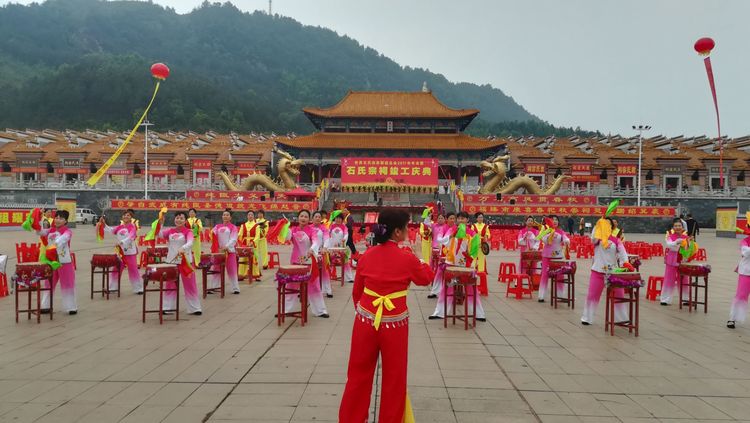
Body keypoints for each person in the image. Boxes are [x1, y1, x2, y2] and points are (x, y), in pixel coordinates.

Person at [339, 209, 433, 423]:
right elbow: (426, 278)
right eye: (406, 227)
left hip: (365, 320)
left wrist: (366, 313)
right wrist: (420, 256)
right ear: (397, 232)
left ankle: (351, 419)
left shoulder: (367, 255)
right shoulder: (407, 258)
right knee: (394, 378)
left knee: (357, 375)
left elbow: (357, 293)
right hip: (395, 324)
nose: (408, 231)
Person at [429, 211, 485, 321]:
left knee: (471, 290)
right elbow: (443, 241)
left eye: (463, 218)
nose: (460, 220)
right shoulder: (452, 230)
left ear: (467, 220)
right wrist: (450, 236)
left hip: (466, 266)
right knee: (447, 288)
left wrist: (469, 256)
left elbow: (474, 251)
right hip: (451, 264)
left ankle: (479, 314)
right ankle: (440, 312)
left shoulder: (472, 233)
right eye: (458, 218)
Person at [581, 217, 629, 325]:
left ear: (612, 227)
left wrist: (625, 264)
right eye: (604, 224)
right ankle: (587, 318)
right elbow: (593, 238)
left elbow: (623, 254)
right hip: (598, 271)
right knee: (592, 295)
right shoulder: (597, 239)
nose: (607, 226)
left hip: (613, 272)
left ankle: (621, 319)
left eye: (609, 224)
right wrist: (597, 225)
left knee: (619, 295)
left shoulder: (616, 240)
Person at [283, 209, 329, 318]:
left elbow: (316, 241)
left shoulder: (312, 230)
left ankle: (320, 311)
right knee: (291, 285)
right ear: (298, 218)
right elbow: (287, 238)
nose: (303, 218)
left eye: (306, 217)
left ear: (309, 219)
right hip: (295, 262)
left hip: (308, 262)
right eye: (301, 216)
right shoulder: (293, 230)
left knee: (314, 286)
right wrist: (286, 226)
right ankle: (286, 310)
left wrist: (312, 249)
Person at [158, 211, 202, 315]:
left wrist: (183, 248)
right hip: (171, 262)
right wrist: (161, 223)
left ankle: (195, 308)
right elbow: (159, 234)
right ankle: (167, 308)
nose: (179, 220)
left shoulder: (188, 232)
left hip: (185, 261)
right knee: (170, 285)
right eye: (177, 218)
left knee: (190, 285)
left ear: (185, 221)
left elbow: (190, 242)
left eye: (181, 218)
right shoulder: (170, 231)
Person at [36, 210, 77, 315]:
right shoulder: (50, 230)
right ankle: (46, 306)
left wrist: (56, 242)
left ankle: (71, 307)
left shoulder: (67, 231)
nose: (58, 220)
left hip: (64, 262)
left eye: (61, 218)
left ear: (66, 221)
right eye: (57, 217)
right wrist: (37, 217)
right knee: (48, 283)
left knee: (67, 284)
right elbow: (40, 231)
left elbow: (64, 238)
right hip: (51, 262)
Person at [99, 209, 143, 294]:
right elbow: (110, 230)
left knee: (133, 270)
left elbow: (131, 236)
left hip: (130, 252)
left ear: (131, 218)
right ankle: (112, 288)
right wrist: (103, 223)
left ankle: (139, 289)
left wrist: (122, 242)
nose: (126, 216)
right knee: (116, 269)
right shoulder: (120, 227)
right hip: (121, 253)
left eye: (128, 215)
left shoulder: (132, 226)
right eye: (124, 215)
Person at [538, 215, 570, 303]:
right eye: (552, 220)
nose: (555, 221)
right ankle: (541, 296)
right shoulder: (545, 231)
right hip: (547, 256)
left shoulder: (561, 232)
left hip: (558, 257)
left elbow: (566, 239)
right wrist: (550, 233)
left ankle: (560, 295)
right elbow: (545, 241)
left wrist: (566, 241)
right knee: (545, 275)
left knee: (560, 276)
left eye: (556, 220)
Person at [660, 218, 690, 306]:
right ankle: (665, 299)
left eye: (679, 226)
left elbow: (689, 248)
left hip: (682, 259)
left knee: (684, 279)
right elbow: (669, 245)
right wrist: (677, 242)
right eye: (676, 226)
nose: (677, 227)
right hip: (671, 259)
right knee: (669, 279)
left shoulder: (686, 237)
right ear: (673, 227)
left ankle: (685, 299)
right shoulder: (669, 236)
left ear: (682, 227)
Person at [211, 209, 240, 294]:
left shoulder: (233, 227)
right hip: (219, 252)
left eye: (227, 215)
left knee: (232, 270)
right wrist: (217, 246)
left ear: (230, 217)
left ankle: (235, 288)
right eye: (224, 215)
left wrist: (226, 247)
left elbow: (233, 239)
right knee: (216, 269)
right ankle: (214, 287)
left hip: (229, 251)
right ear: (222, 216)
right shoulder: (217, 226)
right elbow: (212, 235)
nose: (225, 216)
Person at [428, 213, 454, 298]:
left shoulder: (456, 228)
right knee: (439, 272)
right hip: (443, 253)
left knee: (451, 274)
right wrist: (449, 237)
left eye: (453, 218)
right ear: (447, 219)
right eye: (450, 218)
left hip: (453, 255)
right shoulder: (443, 228)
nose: (452, 220)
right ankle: (434, 292)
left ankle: (449, 292)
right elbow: (439, 239)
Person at [728, 224, 750, 328]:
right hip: (746, 271)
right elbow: (746, 252)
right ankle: (733, 318)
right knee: (741, 295)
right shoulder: (744, 241)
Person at [328, 212, 355, 283]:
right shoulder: (331, 226)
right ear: (334, 219)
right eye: (337, 218)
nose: (338, 219)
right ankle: (328, 276)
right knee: (330, 262)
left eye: (340, 218)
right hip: (332, 248)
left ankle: (349, 278)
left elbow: (346, 234)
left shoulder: (344, 227)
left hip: (341, 247)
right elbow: (327, 234)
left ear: (342, 219)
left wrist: (344, 239)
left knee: (345, 262)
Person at [312, 210, 333, 298]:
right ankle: (309, 289)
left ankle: (327, 290)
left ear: (321, 219)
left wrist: (324, 247)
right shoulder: (309, 228)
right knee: (310, 272)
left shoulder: (324, 228)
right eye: (316, 217)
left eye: (319, 217)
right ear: (312, 218)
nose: (317, 218)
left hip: (321, 252)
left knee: (325, 272)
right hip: (311, 253)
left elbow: (326, 238)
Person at [238, 210, 262, 282]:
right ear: (247, 216)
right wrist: (237, 239)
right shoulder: (243, 225)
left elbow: (257, 236)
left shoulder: (257, 226)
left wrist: (253, 242)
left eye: (251, 215)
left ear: (254, 216)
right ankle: (241, 274)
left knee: (253, 259)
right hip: (244, 244)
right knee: (243, 259)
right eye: (249, 215)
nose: (250, 216)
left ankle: (256, 275)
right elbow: (240, 235)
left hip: (253, 245)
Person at [471, 212, 491, 296]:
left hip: (482, 246)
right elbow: (471, 235)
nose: (480, 218)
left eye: (481, 217)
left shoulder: (486, 226)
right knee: (473, 261)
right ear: (476, 218)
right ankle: (472, 279)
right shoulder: (473, 226)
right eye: (479, 217)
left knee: (481, 263)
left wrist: (486, 237)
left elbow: (488, 235)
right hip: (475, 246)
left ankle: (481, 281)